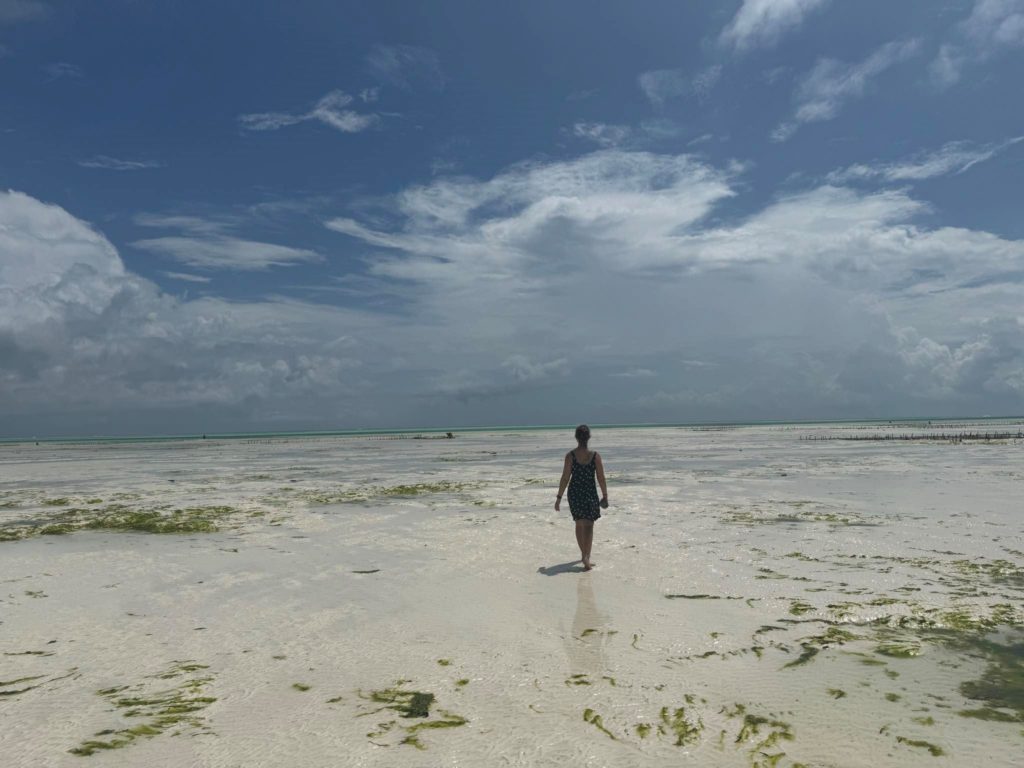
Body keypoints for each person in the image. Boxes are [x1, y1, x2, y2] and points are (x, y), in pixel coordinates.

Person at [555, 424, 608, 571]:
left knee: (579, 523)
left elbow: (565, 478)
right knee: (589, 525)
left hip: (575, 493)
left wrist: (558, 498)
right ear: (589, 437)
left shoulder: (570, 456)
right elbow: (601, 478)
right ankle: (587, 557)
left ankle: (583, 554)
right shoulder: (595, 456)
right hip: (590, 493)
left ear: (576, 438)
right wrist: (605, 495)